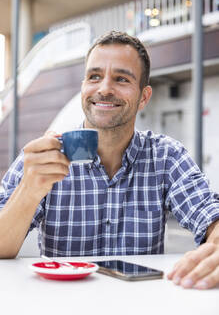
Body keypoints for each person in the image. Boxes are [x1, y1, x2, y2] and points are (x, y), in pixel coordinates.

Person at [0, 31, 219, 290]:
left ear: (144, 97)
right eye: (94, 76)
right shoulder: (43, 157)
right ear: (83, 87)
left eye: (121, 79)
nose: (104, 89)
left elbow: (208, 212)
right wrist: (29, 190)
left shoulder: (166, 156)